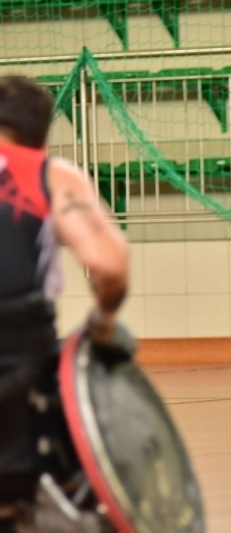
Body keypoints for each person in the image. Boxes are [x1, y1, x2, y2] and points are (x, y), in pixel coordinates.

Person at [0, 75, 130, 531]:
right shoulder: (49, 173)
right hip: (18, 351)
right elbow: (109, 263)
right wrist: (104, 322)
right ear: (42, 137)